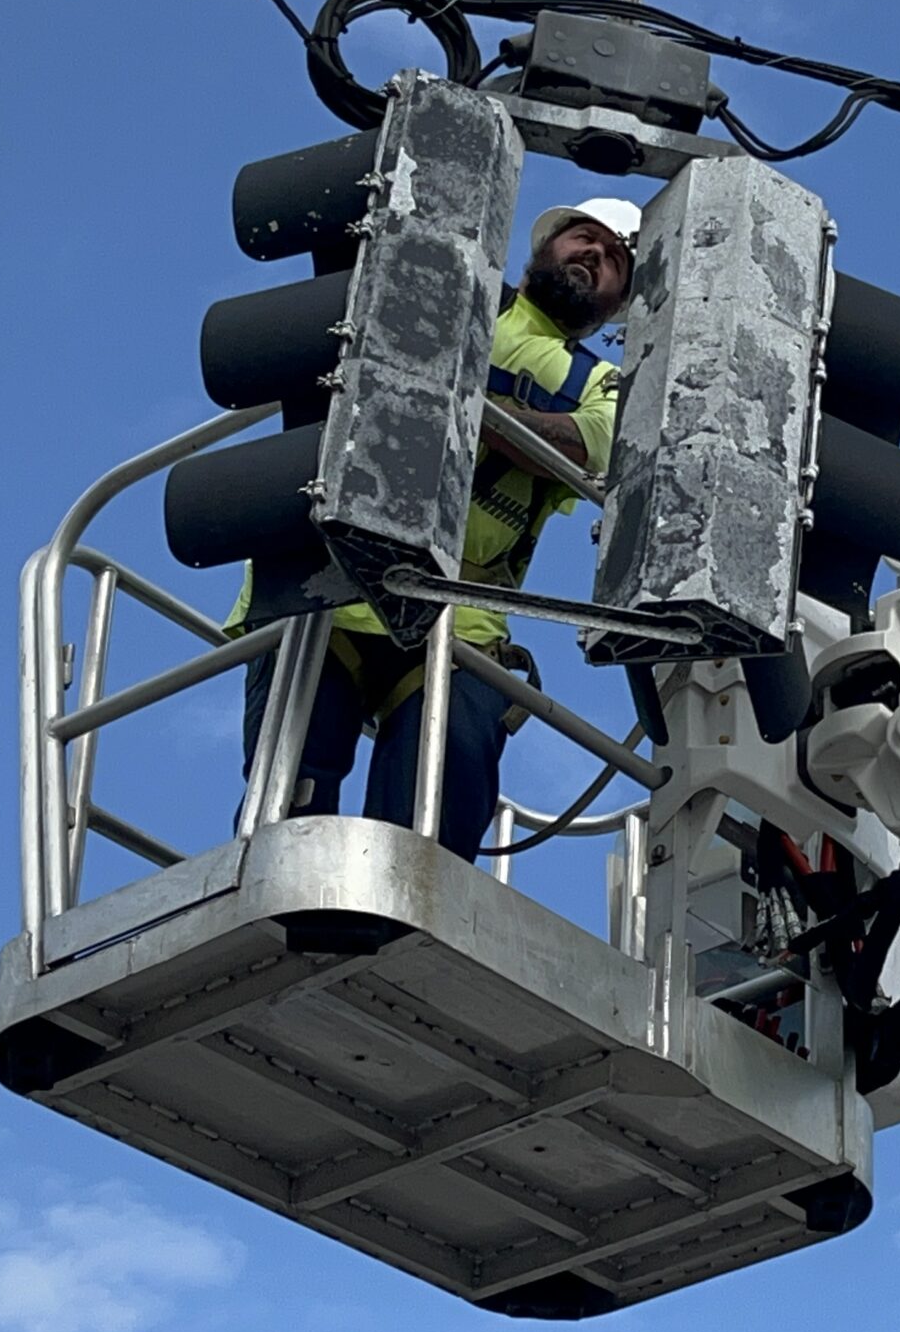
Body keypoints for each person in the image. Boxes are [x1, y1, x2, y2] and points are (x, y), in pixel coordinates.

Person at [234, 195, 640, 860]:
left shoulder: (603, 384)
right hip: (331, 579)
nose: (593, 257)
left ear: (619, 299)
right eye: (584, 239)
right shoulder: (456, 291)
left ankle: (388, 940)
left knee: (437, 813)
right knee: (288, 818)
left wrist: (460, 399)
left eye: (614, 260)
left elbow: (584, 444)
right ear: (546, 245)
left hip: (460, 615)